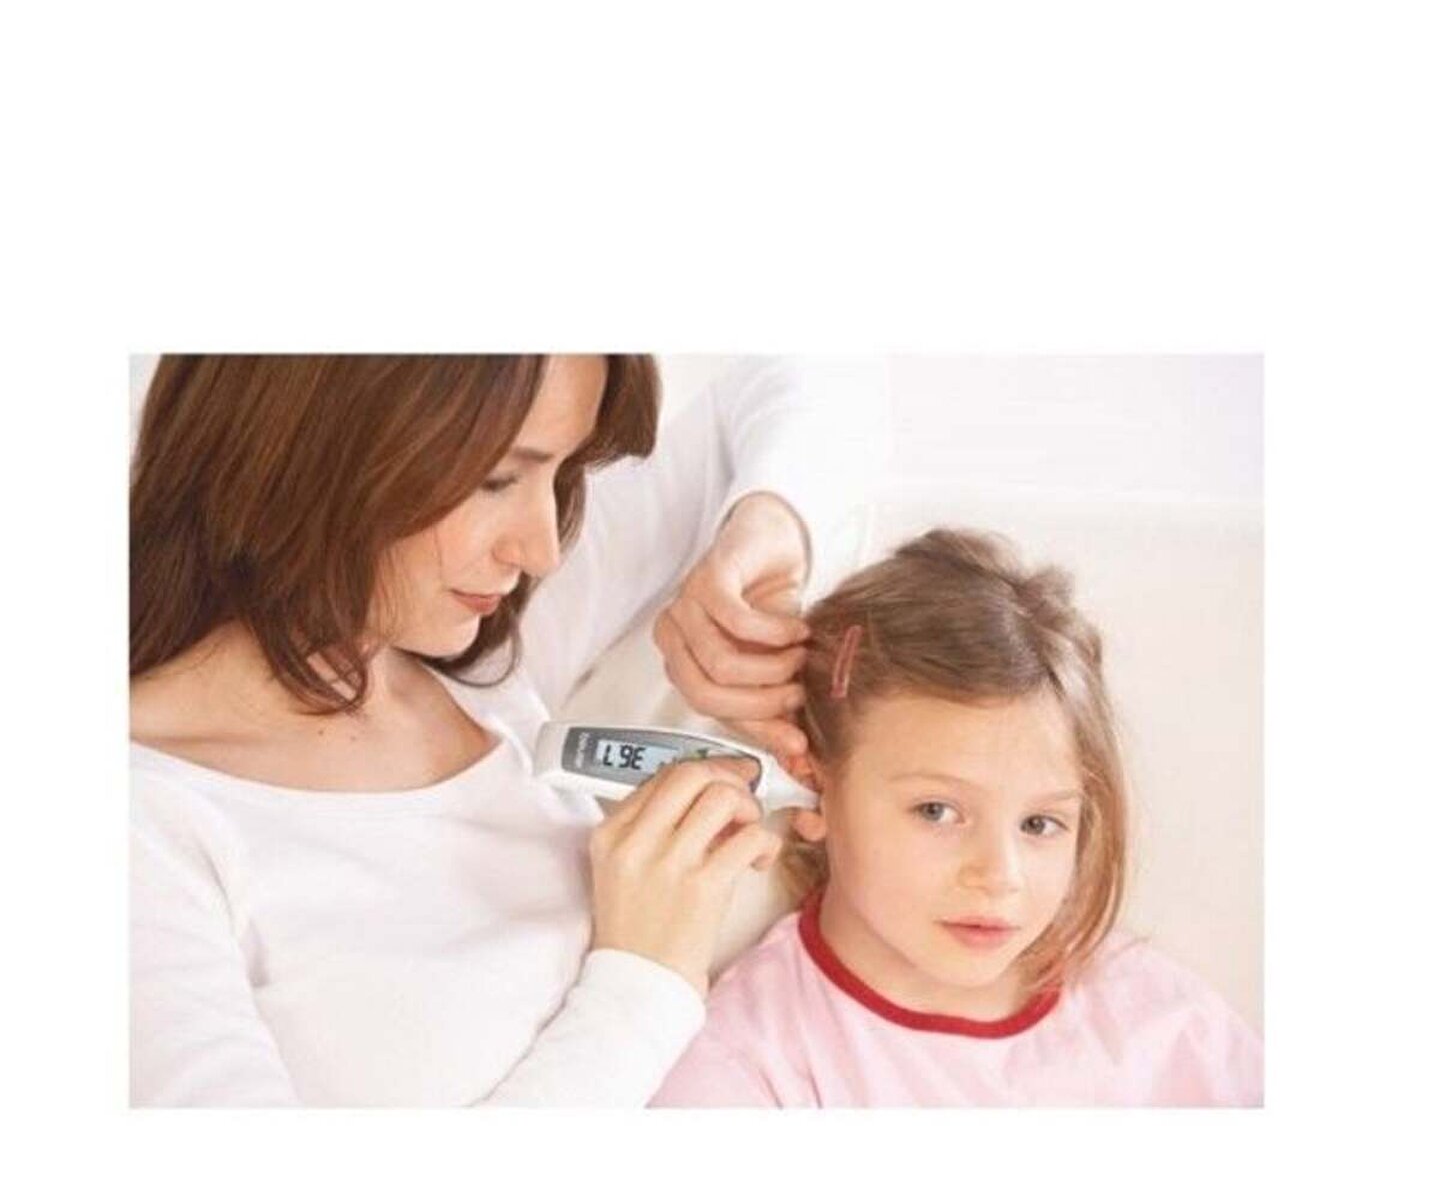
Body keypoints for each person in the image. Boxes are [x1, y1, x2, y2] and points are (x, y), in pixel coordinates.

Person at [129, 354, 886, 1106]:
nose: (541, 549)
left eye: (562, 472)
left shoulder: (474, 659)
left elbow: (811, 376)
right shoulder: (149, 827)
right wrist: (644, 979)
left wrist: (762, 534)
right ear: (312, 441)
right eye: (497, 480)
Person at [651, 528, 1263, 1107]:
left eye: (1039, 824)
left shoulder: (1163, 1026)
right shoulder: (749, 1059)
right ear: (813, 787)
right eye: (938, 811)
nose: (1000, 877)